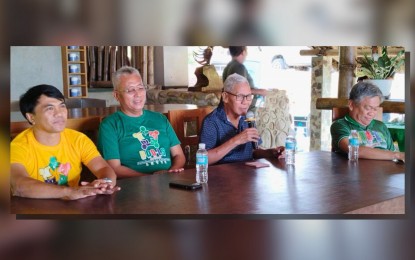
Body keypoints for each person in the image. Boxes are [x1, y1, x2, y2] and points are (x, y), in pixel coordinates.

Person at [10, 84, 120, 200]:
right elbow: (19, 186)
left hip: (73, 207)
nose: (59, 113)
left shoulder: (78, 139)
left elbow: (102, 168)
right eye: (50, 108)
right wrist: (68, 192)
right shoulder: (17, 147)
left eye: (62, 106)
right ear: (31, 117)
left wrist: (105, 183)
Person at [98, 66, 185, 178]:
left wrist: (171, 173)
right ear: (116, 95)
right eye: (130, 90)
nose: (137, 94)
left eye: (140, 88)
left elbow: (179, 155)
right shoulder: (110, 125)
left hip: (169, 181)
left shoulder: (160, 119)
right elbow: (114, 168)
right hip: (134, 186)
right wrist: (150, 179)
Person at [200, 73, 284, 165]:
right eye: (239, 96)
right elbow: (204, 159)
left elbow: (253, 151)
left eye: (248, 96)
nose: (245, 102)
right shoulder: (211, 121)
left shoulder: (248, 118)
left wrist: (271, 153)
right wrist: (236, 140)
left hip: (247, 173)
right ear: (225, 97)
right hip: (223, 175)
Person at [330, 81, 405, 161]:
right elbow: (355, 150)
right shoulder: (341, 125)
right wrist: (398, 155)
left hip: (384, 172)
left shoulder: (381, 126)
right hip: (355, 172)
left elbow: (392, 155)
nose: (372, 113)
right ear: (351, 105)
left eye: (375, 108)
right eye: (368, 108)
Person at [222, 46, 268, 112]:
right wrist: (260, 91)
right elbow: (239, 91)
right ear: (243, 52)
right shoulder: (238, 67)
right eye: (246, 51)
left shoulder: (230, 66)